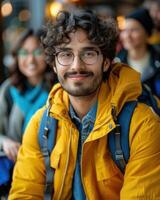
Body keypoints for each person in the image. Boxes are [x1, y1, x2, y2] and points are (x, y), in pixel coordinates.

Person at [9, 10, 160, 199]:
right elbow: (24, 193)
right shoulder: (41, 124)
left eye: (88, 53)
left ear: (106, 62)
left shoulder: (142, 124)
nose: (76, 66)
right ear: (54, 65)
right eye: (65, 54)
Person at [0, 29, 56, 195]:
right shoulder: (8, 90)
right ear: (16, 57)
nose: (30, 59)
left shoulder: (58, 90)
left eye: (38, 52)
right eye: (24, 52)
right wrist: (5, 142)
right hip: (16, 175)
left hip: (52, 177)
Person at [116, 8, 160, 98]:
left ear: (147, 33)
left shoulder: (158, 59)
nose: (127, 36)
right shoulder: (116, 63)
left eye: (134, 30)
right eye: (124, 30)